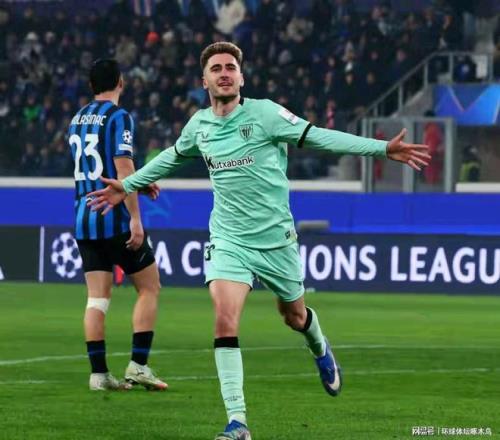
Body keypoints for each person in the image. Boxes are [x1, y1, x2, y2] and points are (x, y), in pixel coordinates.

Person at [88, 43, 430, 438]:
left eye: (230, 67)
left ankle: (318, 344)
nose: (224, 73)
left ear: (241, 77)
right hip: (228, 240)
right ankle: (238, 422)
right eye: (216, 68)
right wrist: (128, 184)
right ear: (204, 80)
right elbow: (171, 156)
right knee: (224, 318)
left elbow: (320, 137)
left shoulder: (266, 114)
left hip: (275, 240)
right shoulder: (199, 125)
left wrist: (382, 149)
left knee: (294, 316)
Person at [69, 59, 167, 391]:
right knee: (150, 287)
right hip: (114, 217)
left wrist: (141, 181)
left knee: (97, 299)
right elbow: (122, 170)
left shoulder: (77, 119)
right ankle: (138, 366)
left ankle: (98, 375)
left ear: (91, 85)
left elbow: (101, 167)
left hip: (84, 218)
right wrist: (136, 219)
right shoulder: (119, 117)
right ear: (121, 82)